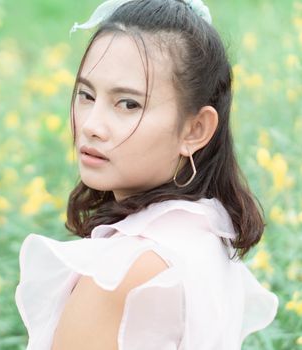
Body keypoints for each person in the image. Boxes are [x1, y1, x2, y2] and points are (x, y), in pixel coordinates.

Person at [14, 0, 279, 349]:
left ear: (195, 129)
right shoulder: (203, 230)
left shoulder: (122, 271)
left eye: (128, 104)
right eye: (86, 94)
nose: (91, 126)